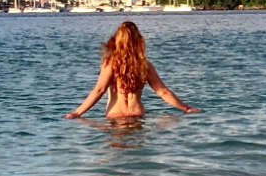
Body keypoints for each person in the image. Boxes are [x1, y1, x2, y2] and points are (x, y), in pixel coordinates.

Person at [65, 20, 201, 118]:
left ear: (117, 40)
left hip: (115, 115)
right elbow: (163, 92)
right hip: (137, 114)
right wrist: (186, 108)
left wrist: (76, 113)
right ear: (138, 40)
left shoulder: (110, 64)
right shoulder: (145, 65)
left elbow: (99, 91)